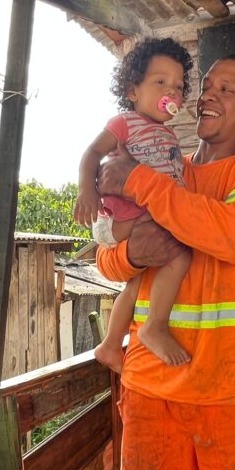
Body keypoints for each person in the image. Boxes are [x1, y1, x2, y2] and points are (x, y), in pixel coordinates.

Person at [95, 55, 235, 470]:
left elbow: (233, 235)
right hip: (151, 388)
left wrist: (140, 183)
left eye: (227, 89)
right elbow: (107, 261)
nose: (208, 96)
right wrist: (129, 254)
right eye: (206, 86)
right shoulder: (162, 169)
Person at [74, 37, 193, 373]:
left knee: (138, 279)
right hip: (121, 215)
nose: (172, 91)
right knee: (179, 252)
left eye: (179, 86)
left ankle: (110, 345)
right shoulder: (124, 122)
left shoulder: (168, 136)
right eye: (160, 82)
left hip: (143, 215)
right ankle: (155, 325)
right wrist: (87, 191)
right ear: (132, 91)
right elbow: (92, 154)